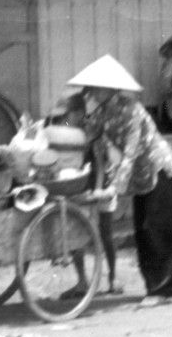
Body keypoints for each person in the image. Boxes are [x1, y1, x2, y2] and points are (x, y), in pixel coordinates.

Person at [71, 54, 172, 303]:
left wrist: (114, 188)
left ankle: (163, 290)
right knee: (143, 232)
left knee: (158, 231)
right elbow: (89, 138)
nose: (93, 92)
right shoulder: (101, 112)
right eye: (91, 88)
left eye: (97, 88)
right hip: (141, 177)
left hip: (160, 170)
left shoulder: (133, 110)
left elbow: (130, 153)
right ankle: (157, 287)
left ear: (110, 88)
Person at [47, 91, 120, 297]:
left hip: (102, 182)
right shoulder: (66, 128)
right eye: (62, 116)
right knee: (74, 234)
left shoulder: (92, 131)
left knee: (105, 232)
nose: (64, 119)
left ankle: (113, 278)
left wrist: (98, 191)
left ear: (79, 113)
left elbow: (100, 164)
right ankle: (82, 281)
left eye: (68, 114)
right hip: (78, 184)